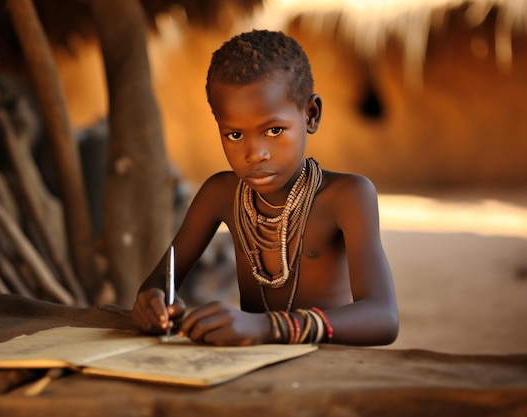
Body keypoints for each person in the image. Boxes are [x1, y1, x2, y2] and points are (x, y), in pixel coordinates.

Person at [132, 29, 399, 346]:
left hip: (329, 368)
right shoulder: (220, 194)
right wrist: (154, 303)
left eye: (273, 130)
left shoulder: (347, 196)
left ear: (310, 115)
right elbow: (161, 281)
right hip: (251, 367)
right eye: (234, 135)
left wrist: (269, 327)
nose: (254, 153)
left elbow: (383, 317)